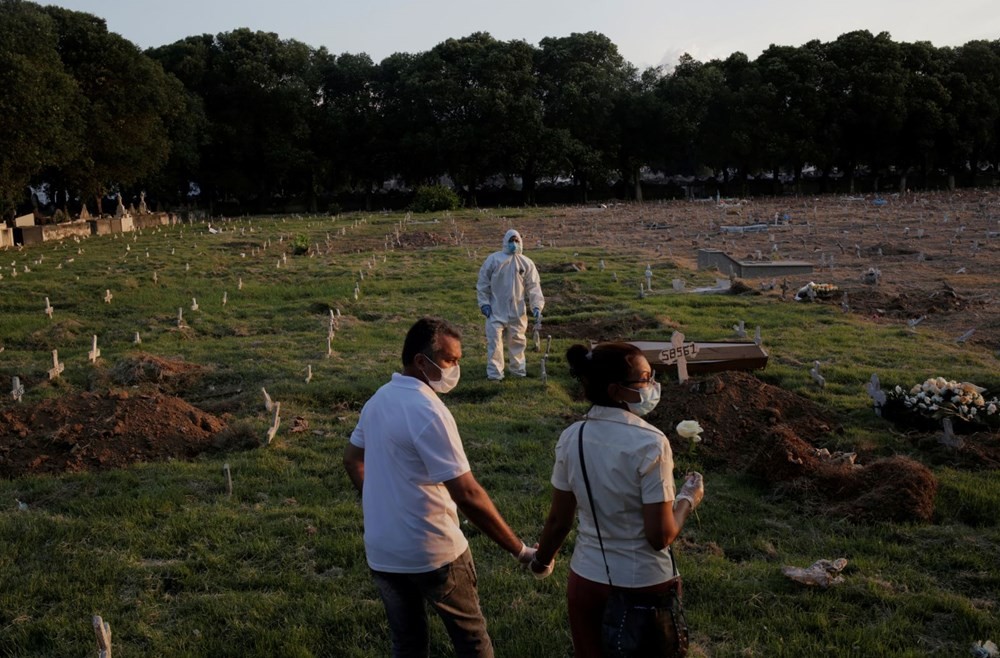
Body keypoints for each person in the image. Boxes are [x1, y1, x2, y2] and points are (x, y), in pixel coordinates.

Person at [343, 317, 536, 658]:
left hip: (384, 553)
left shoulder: (378, 399)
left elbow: (352, 459)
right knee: (473, 642)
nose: (455, 369)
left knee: (407, 644)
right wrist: (520, 550)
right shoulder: (429, 411)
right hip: (435, 555)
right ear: (421, 361)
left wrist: (378, 501)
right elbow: (467, 493)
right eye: (450, 360)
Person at [528, 342, 705, 658]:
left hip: (586, 580)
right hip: (644, 586)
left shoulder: (572, 437)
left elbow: (559, 520)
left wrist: (541, 561)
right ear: (616, 390)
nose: (652, 386)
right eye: (645, 378)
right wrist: (688, 498)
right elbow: (660, 535)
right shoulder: (651, 443)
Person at [476, 229, 544, 380]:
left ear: (520, 242)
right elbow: (483, 283)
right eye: (511, 241)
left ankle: (518, 372)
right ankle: (495, 375)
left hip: (517, 311)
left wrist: (537, 306)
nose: (514, 244)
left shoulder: (526, 263)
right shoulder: (494, 260)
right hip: (495, 309)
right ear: (505, 242)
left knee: (518, 342)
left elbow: (534, 286)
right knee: (494, 343)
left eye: (516, 241)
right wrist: (484, 304)